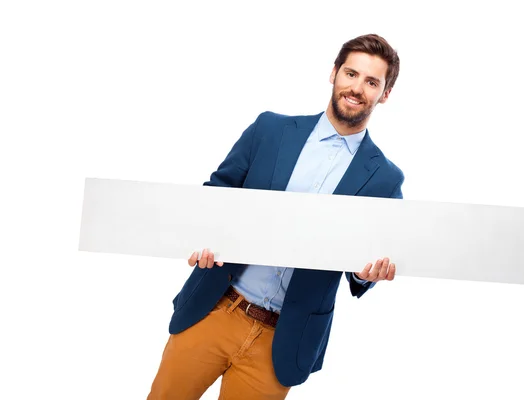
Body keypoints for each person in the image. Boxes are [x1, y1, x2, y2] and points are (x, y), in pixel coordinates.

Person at [147, 33, 404, 400]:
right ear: (333, 73)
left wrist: (368, 274)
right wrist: (202, 237)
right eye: (351, 73)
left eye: (372, 81)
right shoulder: (270, 129)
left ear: (385, 94)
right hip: (215, 308)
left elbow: (368, 257)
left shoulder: (385, 178)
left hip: (282, 341)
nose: (357, 88)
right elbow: (218, 190)